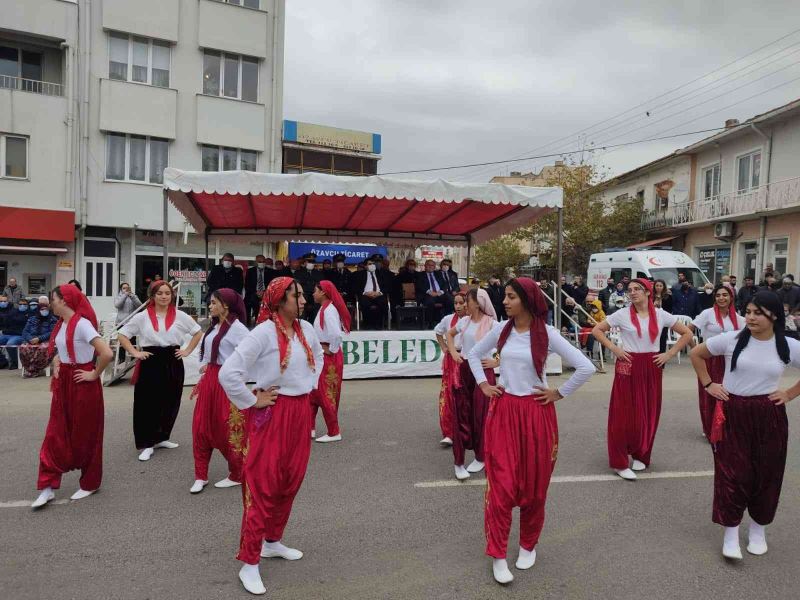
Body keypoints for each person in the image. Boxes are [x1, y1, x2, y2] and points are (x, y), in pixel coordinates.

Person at [467, 277, 594, 584]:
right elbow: (471, 354)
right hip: (505, 412)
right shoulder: (501, 330)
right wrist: (484, 384)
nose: (504, 301)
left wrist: (559, 393)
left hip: (538, 414)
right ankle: (498, 554)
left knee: (535, 488)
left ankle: (528, 544)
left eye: (510, 297)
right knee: (501, 487)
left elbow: (585, 366)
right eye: (505, 296)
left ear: (526, 299)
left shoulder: (547, 334)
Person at [218, 277, 323, 596]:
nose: (304, 301)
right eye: (298, 296)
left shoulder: (307, 330)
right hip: (273, 413)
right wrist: (252, 399)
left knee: (291, 480)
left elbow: (318, 358)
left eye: (304, 295)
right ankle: (249, 562)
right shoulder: (263, 332)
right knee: (262, 485)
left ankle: (272, 541)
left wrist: (306, 385)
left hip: (300, 411)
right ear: (280, 300)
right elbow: (228, 373)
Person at [689, 291, 800, 560]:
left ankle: (758, 530)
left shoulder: (788, 345)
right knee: (733, 474)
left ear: (774, 316)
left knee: (767, 473)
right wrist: (709, 384)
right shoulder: (731, 340)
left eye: (757, 313)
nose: (750, 317)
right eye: (748, 311)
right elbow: (696, 354)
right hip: (733, 411)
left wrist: (789, 393)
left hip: (769, 414)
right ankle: (730, 533)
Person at [592, 278, 693, 480]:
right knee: (622, 414)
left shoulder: (662, 315)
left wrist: (669, 354)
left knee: (648, 411)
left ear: (648, 292)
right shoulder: (621, 314)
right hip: (628, 362)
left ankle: (642, 454)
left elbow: (687, 333)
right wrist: (614, 348)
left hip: (652, 364)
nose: (632, 292)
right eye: (630, 289)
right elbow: (596, 330)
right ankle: (619, 462)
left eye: (637, 289)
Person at [31, 284, 113, 508]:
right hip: (64, 382)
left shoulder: (83, 324)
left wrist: (94, 374)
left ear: (64, 300)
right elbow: (61, 348)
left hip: (82, 383)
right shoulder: (61, 324)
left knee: (86, 435)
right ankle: (47, 486)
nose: (50, 303)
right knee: (54, 434)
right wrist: (58, 360)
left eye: (53, 299)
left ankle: (90, 483)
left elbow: (106, 353)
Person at [118, 281, 203, 462]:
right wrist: (134, 352)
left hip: (173, 359)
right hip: (151, 360)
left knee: (170, 400)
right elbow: (123, 334)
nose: (164, 296)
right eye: (160, 293)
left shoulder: (180, 315)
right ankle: (147, 443)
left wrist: (187, 351)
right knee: (147, 403)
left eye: (167, 293)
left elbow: (198, 332)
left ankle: (162, 436)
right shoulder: (142, 317)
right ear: (152, 296)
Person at [190, 289, 249, 494]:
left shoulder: (238, 329)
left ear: (226, 305)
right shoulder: (214, 327)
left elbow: (249, 356)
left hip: (227, 382)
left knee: (227, 429)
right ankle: (200, 475)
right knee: (200, 428)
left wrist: (234, 373)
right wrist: (206, 367)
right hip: (210, 381)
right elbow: (209, 354)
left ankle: (237, 473)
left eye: (214, 302)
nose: (210, 306)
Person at [446, 288, 498, 479]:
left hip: (484, 371)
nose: (463, 304)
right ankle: (458, 462)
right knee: (461, 414)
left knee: (481, 416)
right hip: (465, 370)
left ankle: (481, 456)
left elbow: (506, 344)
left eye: (467, 300)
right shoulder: (464, 322)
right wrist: (452, 352)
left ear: (478, 302)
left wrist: (496, 361)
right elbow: (449, 335)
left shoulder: (493, 324)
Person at [689, 284, 741, 440]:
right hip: (708, 359)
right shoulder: (707, 314)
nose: (721, 298)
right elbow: (688, 329)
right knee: (709, 393)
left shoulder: (739, 318)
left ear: (731, 297)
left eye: (725, 295)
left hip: (729, 359)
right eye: (718, 295)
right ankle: (709, 427)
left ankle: (726, 426)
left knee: (728, 392)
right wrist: (696, 348)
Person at [310, 281, 351, 443]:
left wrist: (331, 350)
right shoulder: (324, 308)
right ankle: (309, 427)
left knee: (326, 394)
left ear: (323, 293)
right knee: (312, 393)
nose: (312, 294)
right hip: (321, 354)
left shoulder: (329, 310)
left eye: (315, 291)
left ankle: (334, 432)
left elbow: (336, 334)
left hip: (328, 356)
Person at [434, 292, 467, 446]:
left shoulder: (476, 321)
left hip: (468, 360)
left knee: (466, 396)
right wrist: (444, 347)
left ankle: (467, 430)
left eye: (461, 303)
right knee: (448, 395)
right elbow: (438, 332)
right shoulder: (448, 319)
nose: (458, 306)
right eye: (456, 303)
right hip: (452, 361)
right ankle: (449, 432)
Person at [19, 296, 58, 377]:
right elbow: (25, 331)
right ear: (38, 310)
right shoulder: (32, 319)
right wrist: (30, 339)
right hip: (32, 340)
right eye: (42, 309)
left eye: (46, 309)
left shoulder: (52, 319)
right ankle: (30, 369)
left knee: (43, 348)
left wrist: (39, 338)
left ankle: (33, 370)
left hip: (46, 340)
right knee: (23, 347)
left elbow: (52, 332)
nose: (44, 311)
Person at [352, 257, 389, 330]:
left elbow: (387, 286)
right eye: (370, 264)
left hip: (378, 294)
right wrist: (365, 293)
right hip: (366, 295)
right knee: (364, 303)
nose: (372, 265)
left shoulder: (380, 274)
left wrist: (380, 293)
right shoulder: (360, 275)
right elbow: (355, 288)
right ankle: (367, 324)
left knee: (383, 302)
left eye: (373, 264)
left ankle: (379, 324)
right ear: (365, 266)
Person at [417, 259, 454, 328]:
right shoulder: (420, 274)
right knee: (430, 301)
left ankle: (447, 321)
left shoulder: (438, 274)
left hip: (439, 294)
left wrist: (441, 292)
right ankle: (431, 323)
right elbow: (419, 285)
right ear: (425, 266)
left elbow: (445, 284)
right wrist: (429, 292)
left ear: (434, 267)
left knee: (450, 300)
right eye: (429, 265)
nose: (431, 267)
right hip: (427, 295)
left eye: (432, 265)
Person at [245, 256, 276, 325]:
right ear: (256, 262)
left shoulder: (271, 271)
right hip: (253, 292)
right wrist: (256, 292)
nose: (261, 263)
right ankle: (255, 320)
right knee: (252, 300)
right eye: (259, 262)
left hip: (267, 293)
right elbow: (247, 285)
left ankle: (263, 322)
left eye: (263, 262)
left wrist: (265, 292)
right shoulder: (250, 271)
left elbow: (272, 284)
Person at [0, 296, 29, 369]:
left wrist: (14, 319)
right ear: (18, 305)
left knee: (10, 344)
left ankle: (15, 362)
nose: (22, 306)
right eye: (20, 304)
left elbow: (21, 320)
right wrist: (15, 319)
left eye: (24, 304)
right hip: (6, 334)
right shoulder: (13, 311)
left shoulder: (29, 313)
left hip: (19, 335)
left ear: (27, 305)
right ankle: (3, 361)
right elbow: (6, 319)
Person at [652, 279, 673, 353]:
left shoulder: (668, 297)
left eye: (660, 286)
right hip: (652, 320)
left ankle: (661, 355)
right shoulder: (650, 296)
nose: (658, 287)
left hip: (663, 321)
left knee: (662, 339)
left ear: (663, 287)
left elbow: (669, 310)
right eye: (657, 285)